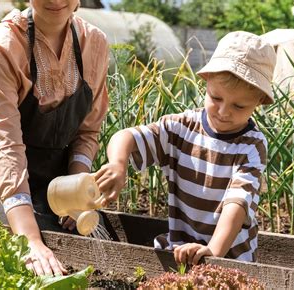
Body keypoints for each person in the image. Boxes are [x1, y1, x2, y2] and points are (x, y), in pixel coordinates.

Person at [0, 0, 109, 276]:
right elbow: (6, 149)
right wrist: (30, 240)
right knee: (38, 249)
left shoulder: (94, 45)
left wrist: (74, 191)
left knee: (84, 233)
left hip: (47, 180)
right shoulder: (3, 47)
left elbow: (87, 131)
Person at [94, 31, 276, 264]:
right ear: (207, 81)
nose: (223, 112)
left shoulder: (251, 146)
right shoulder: (180, 128)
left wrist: (214, 251)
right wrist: (118, 165)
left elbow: (238, 203)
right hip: (179, 250)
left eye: (239, 106)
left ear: (259, 102)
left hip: (230, 258)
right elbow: (126, 136)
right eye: (216, 98)